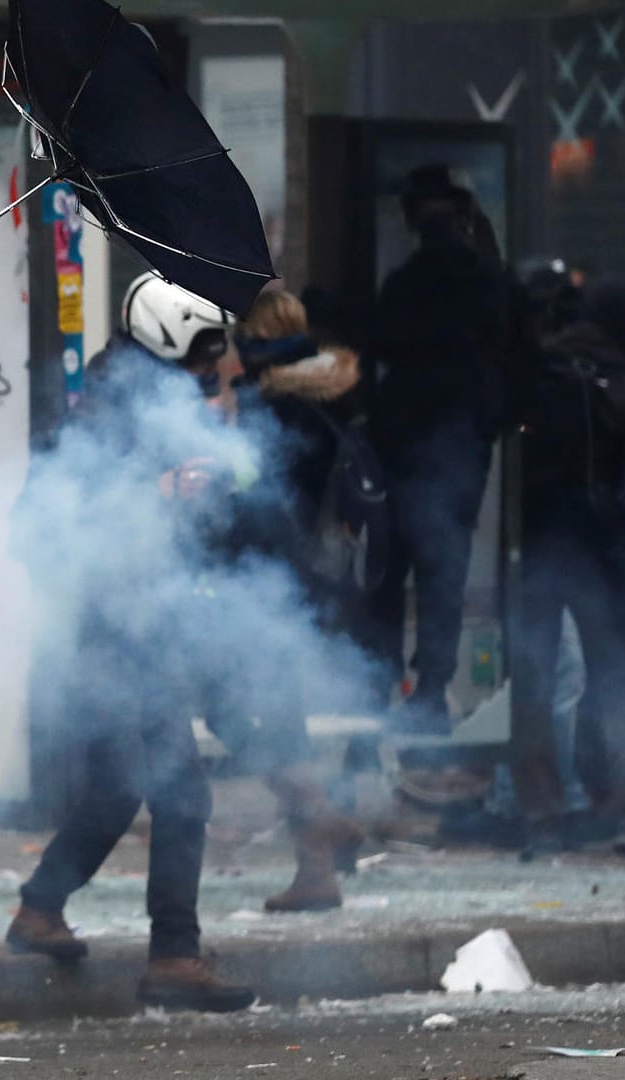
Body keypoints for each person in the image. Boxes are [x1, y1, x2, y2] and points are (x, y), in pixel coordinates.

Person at [5, 273, 256, 1013]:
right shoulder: (108, 410)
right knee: (182, 794)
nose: (206, 368)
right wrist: (155, 497)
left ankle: (39, 909)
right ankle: (174, 957)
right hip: (116, 630)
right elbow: (39, 525)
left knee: (119, 787)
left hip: (141, 621)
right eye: (199, 352)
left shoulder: (154, 399)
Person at [512, 279, 625, 855]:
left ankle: (542, 817)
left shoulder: (543, 373)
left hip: (537, 548)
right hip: (606, 557)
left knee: (534, 682)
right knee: (622, 682)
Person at [227, 289, 371, 912]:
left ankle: (321, 827)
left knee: (257, 719)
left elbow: (253, 503)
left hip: (267, 582)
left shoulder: (273, 408)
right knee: (278, 719)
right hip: (306, 578)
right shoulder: (334, 392)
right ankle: (319, 859)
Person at [366, 165, 513, 734]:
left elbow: (381, 342)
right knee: (442, 574)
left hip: (408, 443)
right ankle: (429, 691)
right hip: (456, 449)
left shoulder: (409, 282)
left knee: (392, 572)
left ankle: (384, 686)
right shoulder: (486, 279)